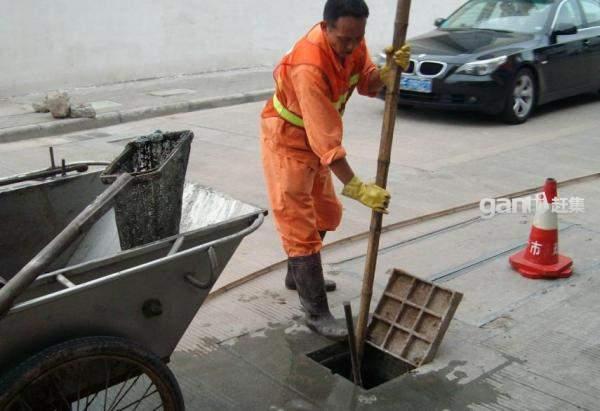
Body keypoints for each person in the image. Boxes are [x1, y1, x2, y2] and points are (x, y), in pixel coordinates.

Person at [260, 0, 410, 340]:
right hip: (287, 142)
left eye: (358, 38)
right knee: (299, 226)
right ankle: (316, 313)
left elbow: (367, 83)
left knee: (327, 211)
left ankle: (295, 276)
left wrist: (388, 72)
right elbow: (326, 140)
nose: (352, 47)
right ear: (325, 27)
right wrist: (357, 187)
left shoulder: (352, 40)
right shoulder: (308, 66)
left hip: (315, 142)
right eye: (344, 40)